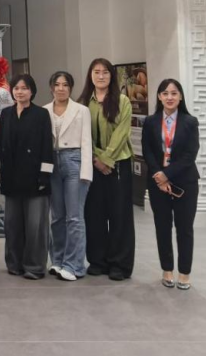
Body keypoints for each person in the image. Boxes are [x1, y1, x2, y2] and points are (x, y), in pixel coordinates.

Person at [79, 58, 134, 281]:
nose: (101, 76)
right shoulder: (83, 102)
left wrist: (107, 159)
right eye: (96, 72)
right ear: (90, 75)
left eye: (105, 72)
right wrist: (96, 159)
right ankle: (97, 261)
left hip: (118, 164)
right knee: (94, 214)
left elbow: (122, 132)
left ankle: (119, 264)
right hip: (92, 165)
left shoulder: (123, 101)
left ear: (112, 76)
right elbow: (82, 135)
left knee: (120, 215)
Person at [142, 79, 200, 290]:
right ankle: (167, 269)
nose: (169, 97)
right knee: (162, 227)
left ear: (180, 97)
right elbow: (147, 150)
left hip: (185, 183)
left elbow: (190, 155)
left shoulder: (190, 122)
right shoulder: (150, 122)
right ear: (159, 97)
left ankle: (184, 273)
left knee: (184, 229)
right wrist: (159, 176)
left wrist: (166, 174)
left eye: (174, 93)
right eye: (165, 93)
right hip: (157, 183)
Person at [0, 74, 54, 280]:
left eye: (24, 88)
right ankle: (14, 264)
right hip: (11, 177)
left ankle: (35, 267)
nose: (20, 92)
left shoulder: (41, 114)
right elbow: (0, 145)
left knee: (35, 226)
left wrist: (45, 175)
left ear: (32, 91)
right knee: (12, 225)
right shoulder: (6, 114)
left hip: (35, 178)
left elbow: (47, 146)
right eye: (16, 88)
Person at [43, 72, 93, 281]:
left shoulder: (81, 110)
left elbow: (86, 142)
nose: (61, 88)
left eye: (65, 85)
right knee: (56, 217)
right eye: (57, 84)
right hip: (51, 162)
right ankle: (58, 260)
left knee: (74, 217)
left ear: (71, 88)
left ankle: (74, 265)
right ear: (51, 88)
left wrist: (86, 172)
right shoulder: (44, 110)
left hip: (74, 160)